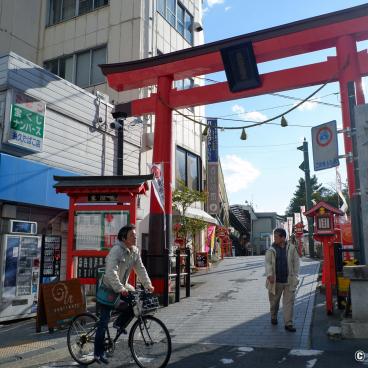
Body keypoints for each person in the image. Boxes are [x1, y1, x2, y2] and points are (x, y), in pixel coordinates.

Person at [94, 224, 154, 364]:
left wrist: (148, 284)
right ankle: (98, 353)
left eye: (135, 235)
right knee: (103, 321)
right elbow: (110, 272)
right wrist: (120, 288)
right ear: (124, 238)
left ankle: (119, 324)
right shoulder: (116, 250)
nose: (135, 237)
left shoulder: (134, 251)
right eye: (132, 235)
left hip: (123, 286)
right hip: (109, 287)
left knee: (136, 303)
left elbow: (140, 269)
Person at [265, 228, 300, 332]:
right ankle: (273, 316)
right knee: (274, 302)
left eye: (276, 236)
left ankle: (288, 323)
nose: (274, 238)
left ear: (283, 238)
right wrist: (270, 274)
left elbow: (296, 262)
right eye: (274, 236)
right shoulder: (271, 249)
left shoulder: (292, 248)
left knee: (289, 302)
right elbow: (268, 263)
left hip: (289, 280)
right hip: (275, 281)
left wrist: (295, 275)